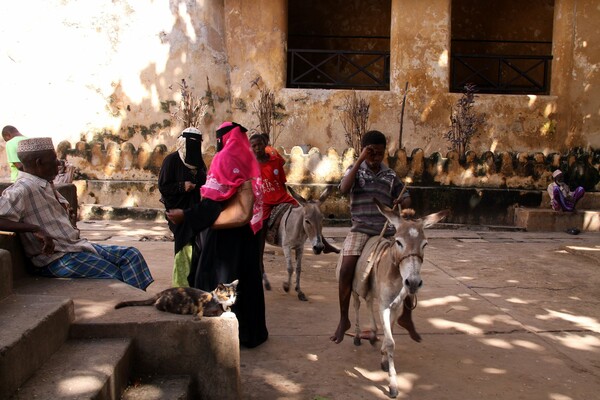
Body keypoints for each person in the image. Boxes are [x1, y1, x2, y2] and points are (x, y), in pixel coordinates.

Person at [0, 137, 153, 290]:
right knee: (115, 274)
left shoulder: (45, 184)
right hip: (54, 258)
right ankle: (134, 302)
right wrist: (35, 229)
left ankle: (139, 299)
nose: (59, 164)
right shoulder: (22, 189)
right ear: (39, 163)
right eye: (53, 160)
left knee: (131, 255)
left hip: (74, 247)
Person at [167, 122, 268, 348]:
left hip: (225, 236)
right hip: (247, 234)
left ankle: (219, 335)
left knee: (218, 279)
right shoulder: (248, 159)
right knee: (248, 281)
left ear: (223, 139)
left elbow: (213, 203)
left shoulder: (224, 159)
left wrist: (187, 216)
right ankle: (252, 333)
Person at [330, 130, 415, 344]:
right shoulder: (355, 170)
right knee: (346, 268)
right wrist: (359, 160)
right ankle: (344, 320)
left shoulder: (391, 175)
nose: (376, 157)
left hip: (385, 230)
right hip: (360, 229)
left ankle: (406, 315)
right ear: (364, 151)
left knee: (409, 264)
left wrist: (401, 203)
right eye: (371, 153)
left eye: (380, 153)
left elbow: (406, 199)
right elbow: (343, 188)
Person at [249, 133, 339, 290]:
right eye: (253, 146)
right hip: (265, 201)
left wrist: (287, 197)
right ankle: (258, 263)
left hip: (282, 196)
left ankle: (322, 243)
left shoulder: (275, 160)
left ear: (265, 144)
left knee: (310, 214)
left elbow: (282, 181)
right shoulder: (250, 165)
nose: (257, 148)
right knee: (261, 229)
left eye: (259, 145)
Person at [158, 127, 207, 287]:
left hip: (194, 211)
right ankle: (181, 286)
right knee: (183, 245)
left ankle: (194, 283)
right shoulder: (171, 160)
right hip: (176, 211)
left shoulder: (199, 164)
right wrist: (181, 186)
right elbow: (163, 187)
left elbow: (204, 182)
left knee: (198, 247)